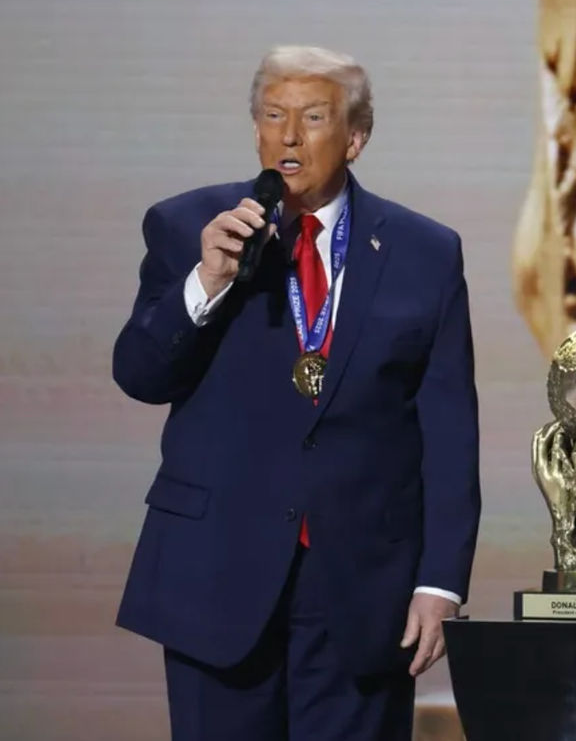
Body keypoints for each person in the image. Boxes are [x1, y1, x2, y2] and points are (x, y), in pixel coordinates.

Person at [111, 45, 480, 740]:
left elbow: (449, 428)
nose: (288, 135)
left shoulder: (424, 251)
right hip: (217, 569)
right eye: (272, 115)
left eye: (312, 117)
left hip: (361, 583)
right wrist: (207, 282)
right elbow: (139, 374)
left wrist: (440, 581)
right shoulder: (189, 227)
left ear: (355, 137)